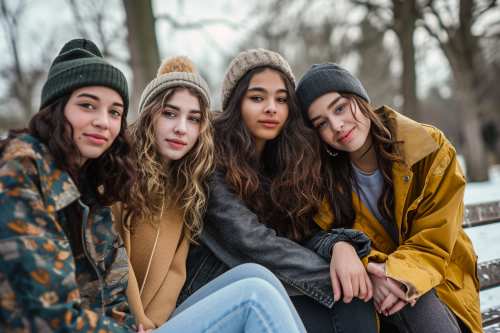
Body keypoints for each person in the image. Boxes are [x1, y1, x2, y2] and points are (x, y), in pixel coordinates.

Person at [178, 49, 378, 333]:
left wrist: (340, 246)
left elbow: (304, 233)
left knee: (351, 299)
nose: (271, 108)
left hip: (265, 288)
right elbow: (252, 243)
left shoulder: (286, 162)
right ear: (236, 104)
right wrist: (353, 277)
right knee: (350, 291)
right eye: (257, 98)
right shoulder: (210, 156)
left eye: (281, 99)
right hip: (211, 298)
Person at [112, 55, 306, 333]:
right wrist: (138, 322)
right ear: (148, 115)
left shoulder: (185, 187)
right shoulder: (119, 174)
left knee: (258, 274)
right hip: (121, 324)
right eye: (170, 113)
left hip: (158, 324)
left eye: (193, 119)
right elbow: (114, 260)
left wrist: (154, 323)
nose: (181, 128)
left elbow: (174, 273)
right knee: (254, 296)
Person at [296, 62, 481, 333]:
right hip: (376, 306)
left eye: (340, 108)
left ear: (359, 99)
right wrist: (370, 268)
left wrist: (393, 276)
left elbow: (435, 240)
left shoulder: (429, 149)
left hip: (444, 286)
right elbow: (318, 238)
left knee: (413, 301)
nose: (337, 125)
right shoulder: (321, 183)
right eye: (322, 123)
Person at [0, 38, 139, 332]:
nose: (104, 121)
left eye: (115, 112)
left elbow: (115, 295)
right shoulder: (20, 170)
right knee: (250, 298)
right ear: (56, 108)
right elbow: (46, 314)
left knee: (250, 282)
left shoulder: (89, 187)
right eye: (88, 105)